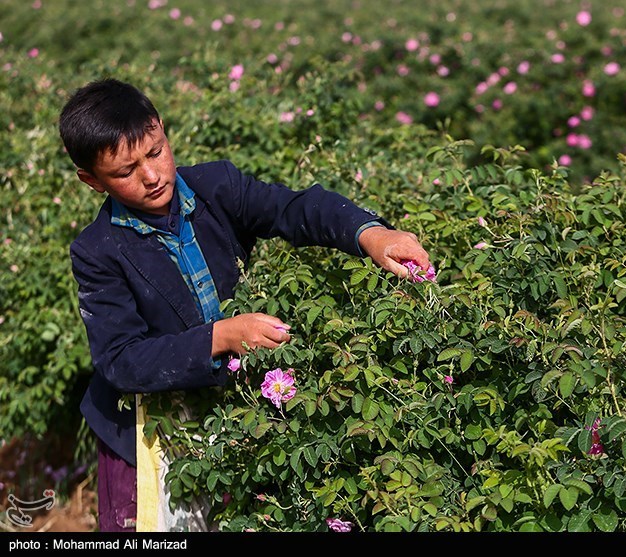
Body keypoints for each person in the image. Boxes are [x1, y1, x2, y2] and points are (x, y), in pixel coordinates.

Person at [58, 78, 432, 532]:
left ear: (163, 132)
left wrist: (371, 235)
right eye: (124, 172)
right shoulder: (97, 250)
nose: (152, 176)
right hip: (144, 429)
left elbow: (295, 209)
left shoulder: (217, 185)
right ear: (92, 181)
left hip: (230, 406)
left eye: (155, 153)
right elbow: (122, 360)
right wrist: (223, 336)